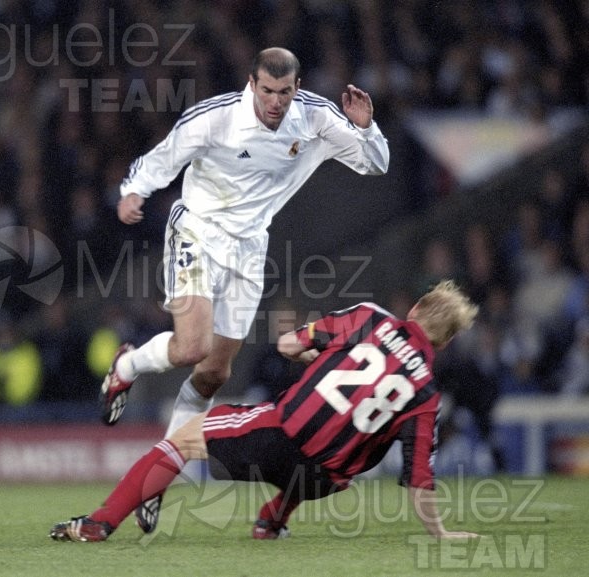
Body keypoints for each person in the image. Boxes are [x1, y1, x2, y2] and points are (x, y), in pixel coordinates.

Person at [100, 47, 390, 532]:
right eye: (267, 91)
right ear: (252, 84)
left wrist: (364, 128)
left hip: (250, 247)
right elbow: (163, 156)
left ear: (296, 88)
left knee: (215, 372)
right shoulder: (217, 119)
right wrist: (134, 191)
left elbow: (374, 165)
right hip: (197, 229)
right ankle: (126, 365)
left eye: (284, 92)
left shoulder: (315, 119)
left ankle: (158, 478)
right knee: (192, 347)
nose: (275, 102)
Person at [53, 280, 480, 542]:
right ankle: (272, 521)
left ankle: (100, 523)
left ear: (416, 309)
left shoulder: (371, 319)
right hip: (323, 482)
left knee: (181, 440)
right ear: (442, 344)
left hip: (278, 438)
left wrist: (316, 360)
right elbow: (419, 476)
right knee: (348, 452)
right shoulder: (426, 394)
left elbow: (288, 344)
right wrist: (439, 532)